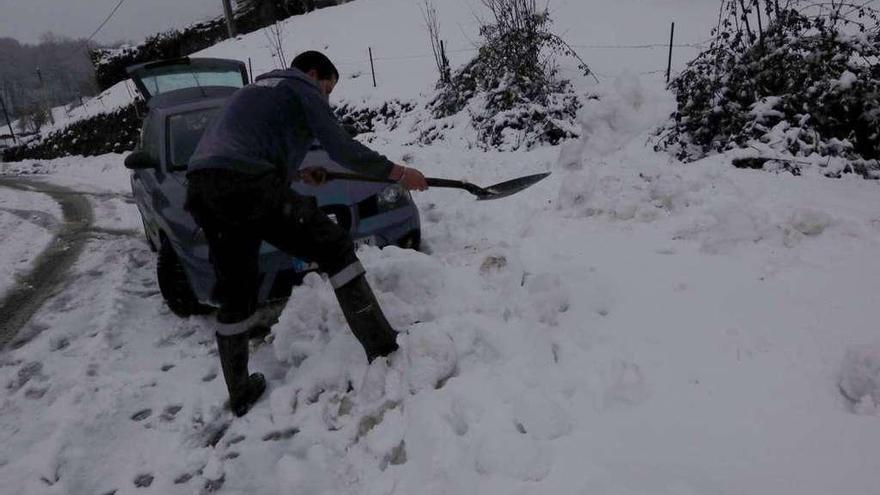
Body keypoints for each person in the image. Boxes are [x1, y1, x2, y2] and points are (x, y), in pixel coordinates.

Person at [185, 51, 429, 417]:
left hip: (204, 187)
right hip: (247, 183)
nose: (326, 98)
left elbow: (246, 148)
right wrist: (397, 172)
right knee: (334, 246)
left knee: (237, 290)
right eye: (328, 88)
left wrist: (296, 175)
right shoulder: (300, 85)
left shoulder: (256, 89)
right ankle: (382, 347)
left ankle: (239, 391)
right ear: (316, 74)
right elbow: (341, 146)